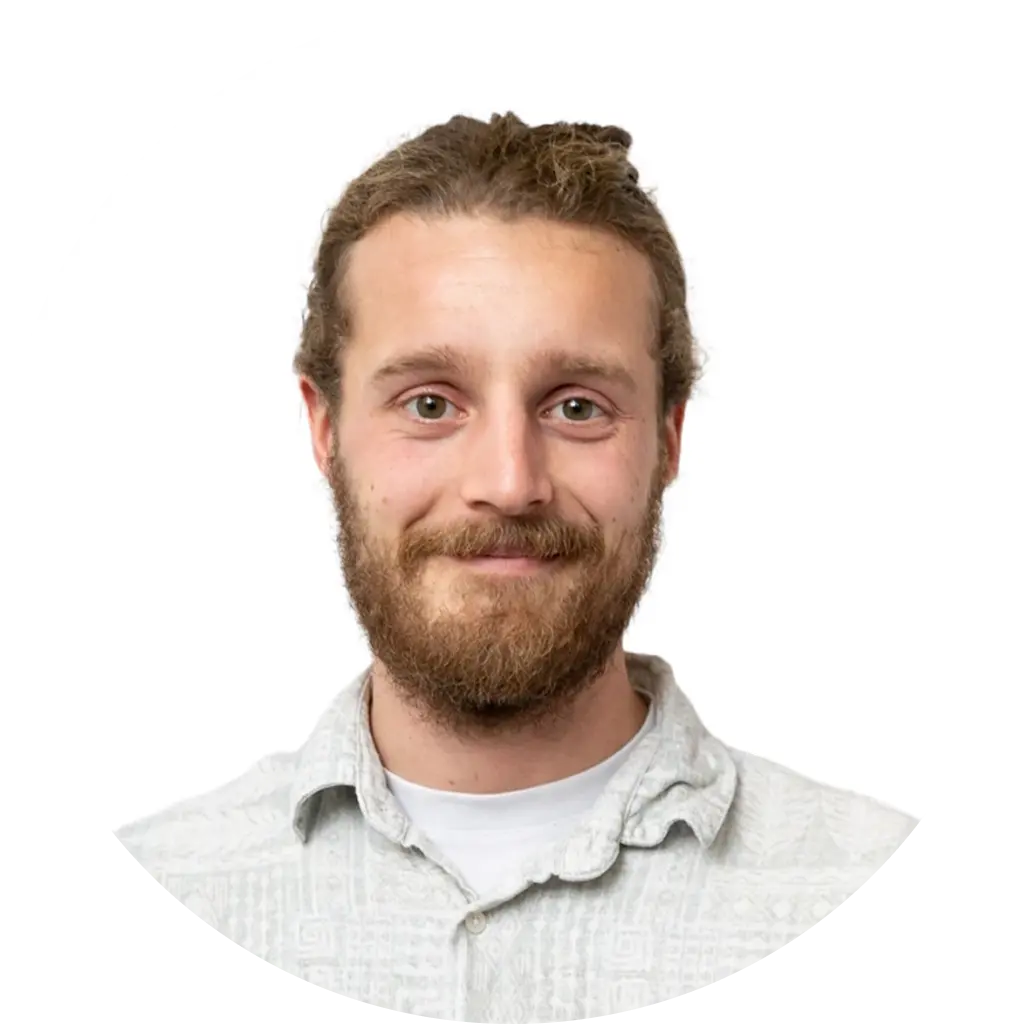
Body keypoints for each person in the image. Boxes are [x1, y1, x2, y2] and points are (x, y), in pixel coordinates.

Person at [112, 112, 918, 1014]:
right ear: (325, 429)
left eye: (576, 407)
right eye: (429, 402)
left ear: (669, 437)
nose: (508, 482)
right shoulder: (167, 881)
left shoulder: (858, 879)